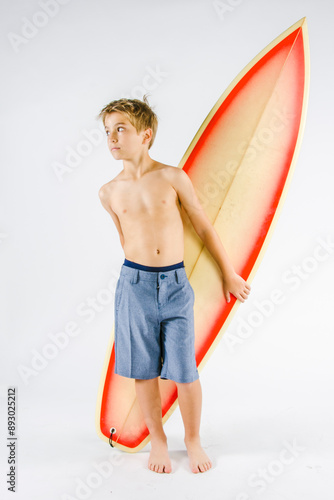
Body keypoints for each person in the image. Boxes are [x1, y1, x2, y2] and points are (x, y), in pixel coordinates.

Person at [97, 96, 251, 474]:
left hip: (176, 284)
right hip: (134, 286)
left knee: (186, 370)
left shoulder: (172, 177)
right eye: (107, 132)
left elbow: (201, 225)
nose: (112, 138)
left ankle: (193, 439)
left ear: (146, 135)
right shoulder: (108, 192)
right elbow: (125, 239)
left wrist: (228, 273)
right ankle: (159, 441)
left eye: (121, 129)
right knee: (143, 371)